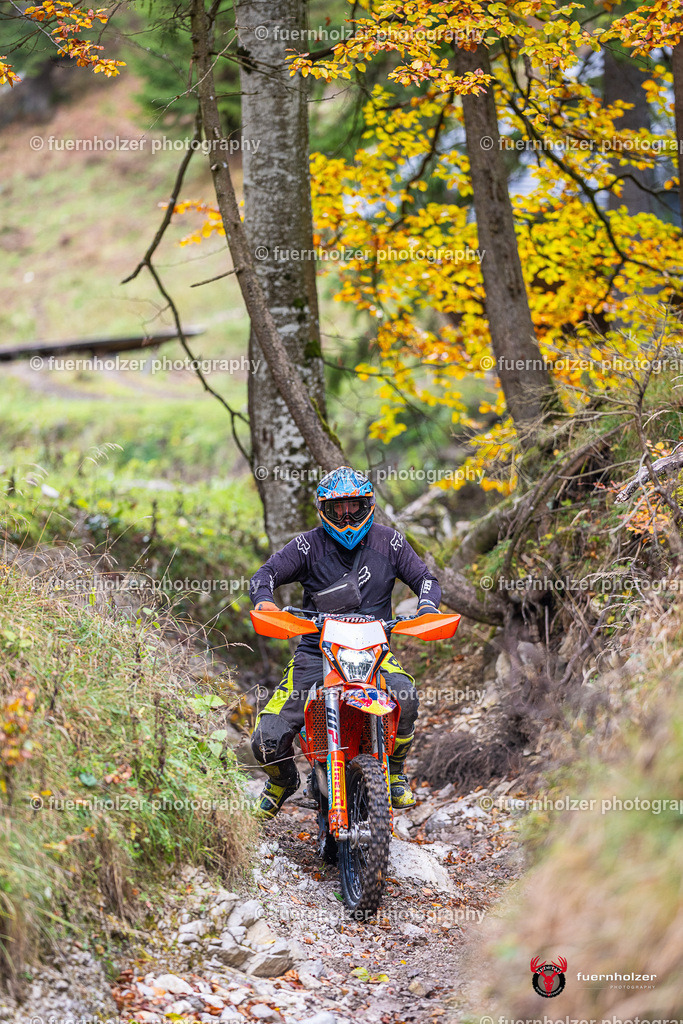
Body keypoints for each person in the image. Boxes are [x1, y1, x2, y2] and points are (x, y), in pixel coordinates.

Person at [249, 466, 442, 819]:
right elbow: (265, 574)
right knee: (267, 739)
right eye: (338, 508)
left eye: (354, 506)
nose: (347, 515)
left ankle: (395, 773)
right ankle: (282, 782)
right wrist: (265, 602)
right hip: (316, 650)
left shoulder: (390, 541)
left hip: (374, 650)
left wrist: (427, 607)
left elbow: (426, 580)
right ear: (324, 510)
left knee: (406, 699)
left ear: (368, 504)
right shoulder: (308, 545)